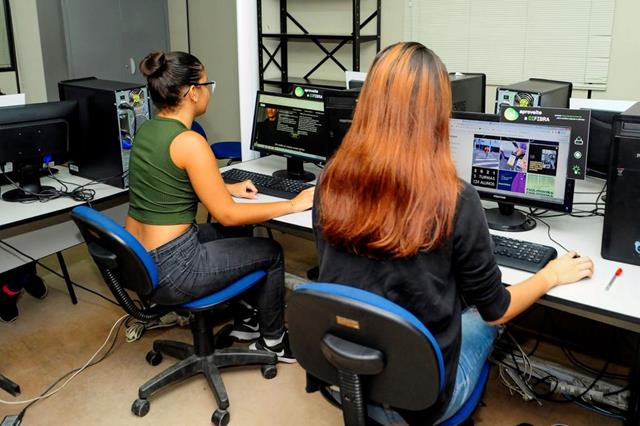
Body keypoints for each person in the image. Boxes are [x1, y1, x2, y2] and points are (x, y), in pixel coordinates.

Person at [313, 42, 593, 424]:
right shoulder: (455, 199)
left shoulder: (330, 182)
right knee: (484, 318)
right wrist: (549, 276)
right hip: (422, 400)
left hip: (351, 373)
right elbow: (496, 310)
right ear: (438, 114)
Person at [126, 51, 314, 362]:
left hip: (141, 258)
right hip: (176, 268)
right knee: (270, 253)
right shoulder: (190, 142)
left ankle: (246, 320)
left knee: (231, 236)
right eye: (207, 83)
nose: (209, 90)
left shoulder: (148, 129)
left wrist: (225, 187)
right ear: (192, 92)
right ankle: (274, 341)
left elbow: (168, 182)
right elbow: (228, 212)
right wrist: (291, 205)